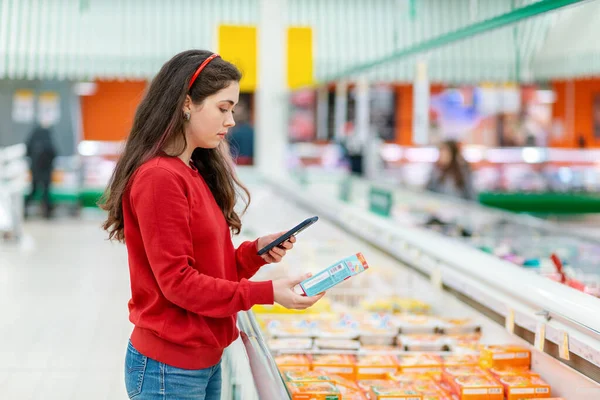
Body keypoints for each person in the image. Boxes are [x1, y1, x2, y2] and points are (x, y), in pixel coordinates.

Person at [100, 50, 325, 399]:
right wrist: (266, 293)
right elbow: (179, 284)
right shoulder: (160, 178)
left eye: (232, 109)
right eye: (223, 108)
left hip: (200, 363)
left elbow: (209, 271)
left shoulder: (192, 170)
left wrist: (256, 253)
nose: (232, 120)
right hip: (168, 370)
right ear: (187, 103)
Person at [24, 123, 57, 219]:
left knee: (34, 190)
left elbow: (27, 151)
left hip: (35, 169)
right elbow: (54, 153)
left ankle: (24, 208)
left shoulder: (34, 137)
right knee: (46, 191)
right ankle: (47, 213)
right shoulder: (47, 137)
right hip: (46, 170)